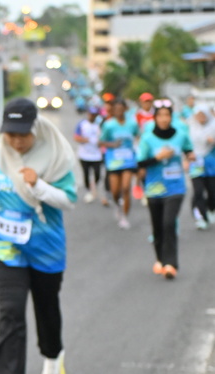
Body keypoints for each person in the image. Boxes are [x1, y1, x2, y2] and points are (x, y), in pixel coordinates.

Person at [0, 97, 77, 374]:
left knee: (46, 308)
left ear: (35, 128)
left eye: (23, 134)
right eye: (10, 134)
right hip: (7, 245)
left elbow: (68, 200)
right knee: (11, 309)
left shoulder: (55, 154)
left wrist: (39, 185)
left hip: (46, 247)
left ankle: (53, 356)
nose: (16, 141)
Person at [136, 98, 194, 278]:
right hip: (154, 188)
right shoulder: (148, 138)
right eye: (160, 115)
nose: (163, 119)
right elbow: (140, 162)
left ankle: (170, 264)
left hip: (176, 187)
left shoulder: (180, 134)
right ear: (154, 118)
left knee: (169, 223)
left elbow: (188, 149)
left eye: (167, 115)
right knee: (158, 227)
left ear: (171, 117)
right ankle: (160, 259)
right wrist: (158, 158)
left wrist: (190, 157)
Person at [100, 97, 139, 229]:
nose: (119, 111)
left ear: (125, 109)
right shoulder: (108, 125)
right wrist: (112, 144)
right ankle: (118, 205)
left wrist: (138, 148)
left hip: (128, 160)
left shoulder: (132, 123)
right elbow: (100, 142)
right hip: (114, 161)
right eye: (116, 109)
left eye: (121, 109)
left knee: (126, 188)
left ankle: (125, 216)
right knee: (115, 191)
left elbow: (138, 136)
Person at [188, 104, 215, 228]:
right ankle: (200, 217)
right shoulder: (190, 128)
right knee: (198, 192)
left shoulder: (213, 126)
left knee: (212, 191)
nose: (201, 117)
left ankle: (211, 210)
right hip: (196, 165)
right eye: (198, 115)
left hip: (211, 165)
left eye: (203, 115)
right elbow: (185, 146)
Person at [73, 105, 106, 204]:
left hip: (96, 155)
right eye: (91, 114)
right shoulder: (82, 124)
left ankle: (94, 187)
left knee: (97, 174)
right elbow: (76, 137)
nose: (92, 116)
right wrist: (87, 140)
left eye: (94, 114)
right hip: (84, 155)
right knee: (86, 174)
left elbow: (105, 138)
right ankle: (89, 190)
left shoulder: (100, 125)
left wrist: (100, 143)